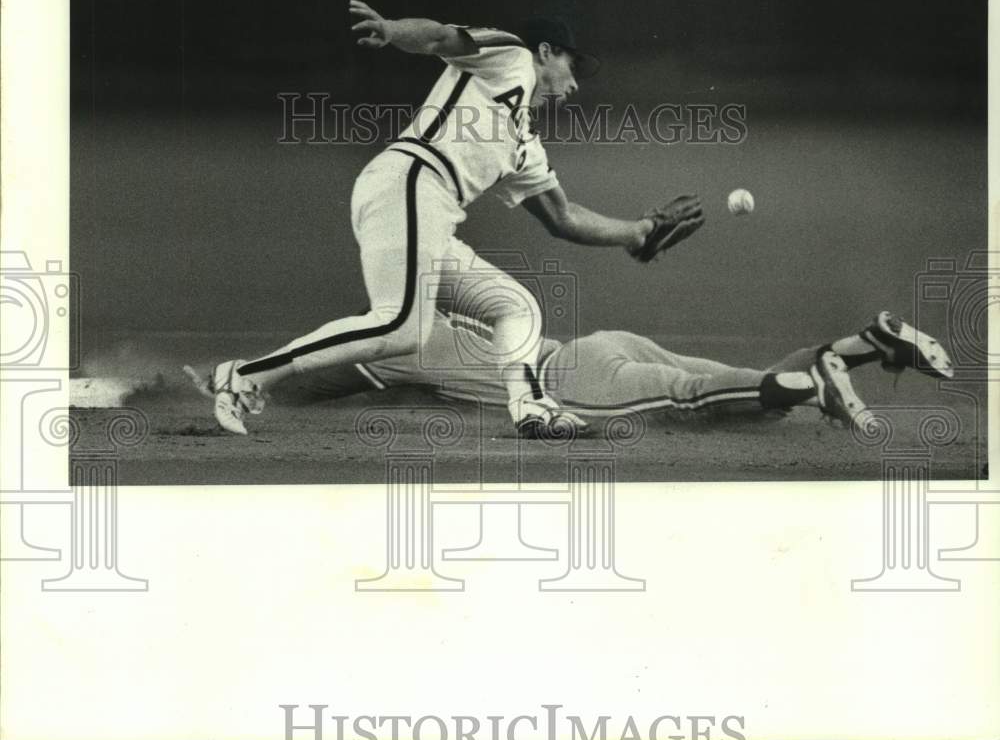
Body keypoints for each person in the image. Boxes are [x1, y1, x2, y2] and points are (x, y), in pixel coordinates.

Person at [200, 0, 701, 439]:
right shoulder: (511, 55)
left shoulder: (523, 140)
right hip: (411, 182)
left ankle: (529, 406)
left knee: (515, 307)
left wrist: (637, 231)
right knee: (399, 328)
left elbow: (562, 216)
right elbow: (442, 36)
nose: (573, 84)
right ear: (546, 51)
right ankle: (244, 375)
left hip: (429, 209)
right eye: (573, 65)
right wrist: (395, 31)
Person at [239, 310, 953, 431]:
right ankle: (865, 342)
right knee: (732, 378)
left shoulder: (402, 342)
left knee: (693, 397)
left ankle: (802, 386)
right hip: (606, 341)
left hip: (577, 381)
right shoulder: (455, 319)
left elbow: (322, 377)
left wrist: (264, 387)